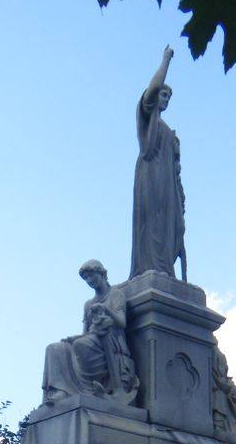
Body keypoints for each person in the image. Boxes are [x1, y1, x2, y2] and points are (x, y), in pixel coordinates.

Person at [42, 260, 138, 405]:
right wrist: (73, 338)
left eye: (92, 275)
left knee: (80, 344)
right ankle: (62, 391)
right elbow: (86, 333)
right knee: (54, 348)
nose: (89, 280)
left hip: (109, 342)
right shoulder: (88, 304)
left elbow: (121, 322)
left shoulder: (115, 295)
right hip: (90, 340)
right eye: (86, 278)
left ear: (102, 274)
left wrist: (106, 309)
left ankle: (87, 390)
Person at [130, 46, 187, 282]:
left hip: (167, 184)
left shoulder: (167, 129)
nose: (165, 100)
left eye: (168, 97)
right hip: (150, 175)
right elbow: (153, 89)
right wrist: (166, 61)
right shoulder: (148, 117)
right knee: (151, 224)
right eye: (163, 95)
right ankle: (149, 268)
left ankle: (164, 269)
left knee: (168, 227)